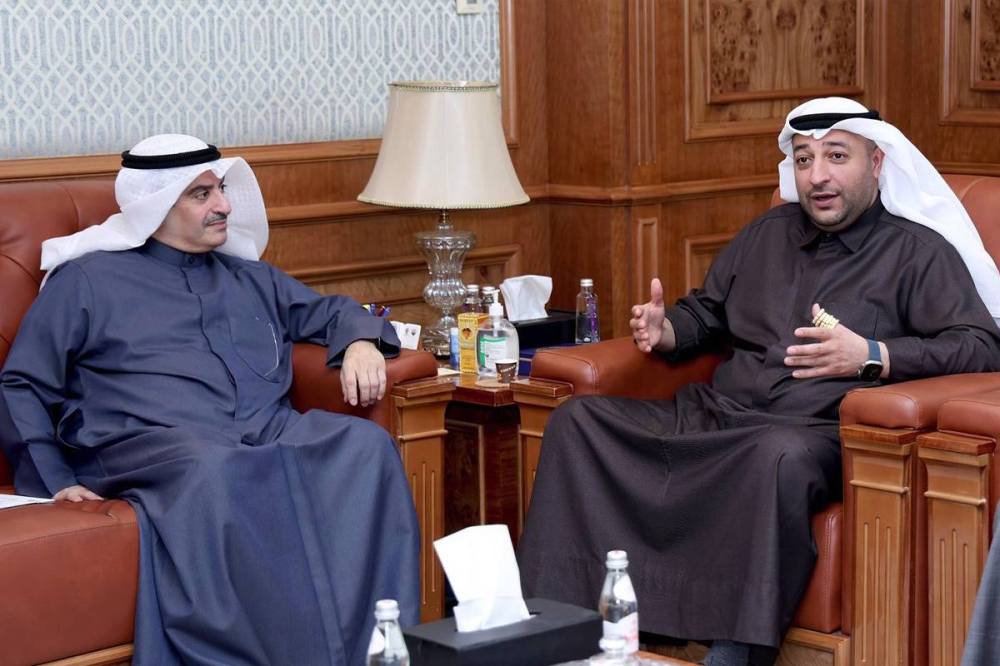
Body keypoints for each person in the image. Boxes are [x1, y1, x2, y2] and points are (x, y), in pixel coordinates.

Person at [516, 97, 1000, 666]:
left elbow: (980, 344)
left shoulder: (917, 253)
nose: (817, 176)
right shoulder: (766, 233)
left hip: (812, 430)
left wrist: (872, 355)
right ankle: (562, 631)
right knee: (578, 421)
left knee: (776, 457)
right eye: (804, 159)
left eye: (836, 156)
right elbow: (706, 314)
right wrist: (664, 330)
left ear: (875, 164)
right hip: (716, 414)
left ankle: (734, 652)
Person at [0, 134, 419, 666]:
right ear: (156, 206)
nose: (223, 205)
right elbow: (23, 382)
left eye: (220, 189)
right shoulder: (86, 280)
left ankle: (380, 649)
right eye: (201, 195)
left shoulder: (248, 275)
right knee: (217, 468)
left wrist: (360, 342)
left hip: (261, 427)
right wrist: (55, 479)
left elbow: (334, 311)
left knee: (364, 447)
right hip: (148, 441)